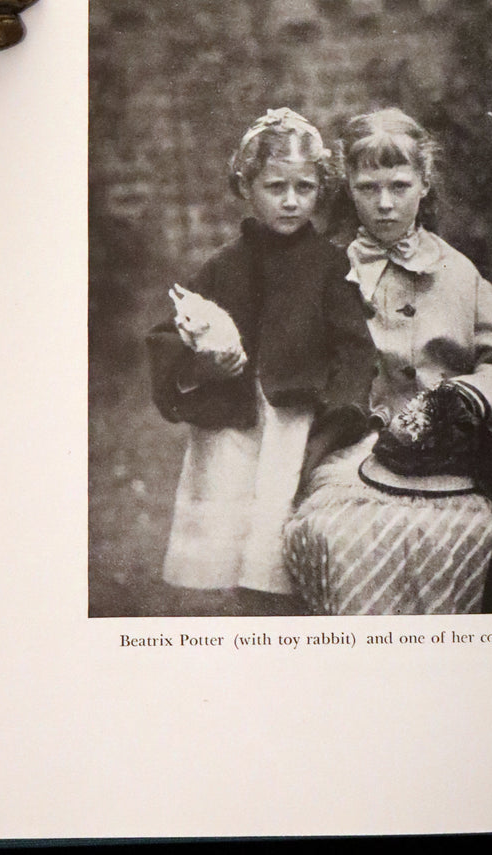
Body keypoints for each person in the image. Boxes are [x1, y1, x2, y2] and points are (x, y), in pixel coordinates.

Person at [283, 108, 492, 615]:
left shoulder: (458, 273)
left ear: (425, 184)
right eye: (368, 187)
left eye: (399, 185)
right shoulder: (329, 272)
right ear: (348, 186)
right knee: (343, 535)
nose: (385, 203)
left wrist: (470, 396)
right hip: (362, 450)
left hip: (458, 449)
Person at [146, 108, 376, 613]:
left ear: (320, 189)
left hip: (295, 425)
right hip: (232, 426)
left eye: (305, 187)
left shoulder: (329, 265)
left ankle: (287, 612)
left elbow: (356, 348)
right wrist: (203, 367)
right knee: (232, 543)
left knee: (280, 541)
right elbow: (170, 336)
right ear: (246, 186)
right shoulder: (224, 265)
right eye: (276, 186)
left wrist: (339, 415)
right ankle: (246, 616)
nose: (292, 201)